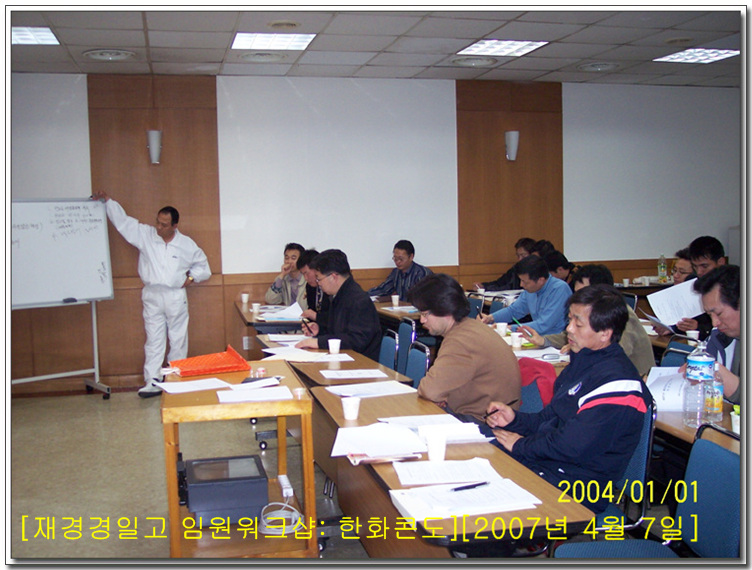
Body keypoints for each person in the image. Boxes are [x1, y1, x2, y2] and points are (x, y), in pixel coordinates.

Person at [485, 285, 651, 513]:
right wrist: (514, 420)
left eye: (578, 324)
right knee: (479, 452)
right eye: (570, 319)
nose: (569, 329)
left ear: (605, 333)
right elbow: (548, 418)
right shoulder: (582, 363)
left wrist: (520, 445)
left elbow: (571, 446)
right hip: (552, 465)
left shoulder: (619, 384)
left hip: (578, 487)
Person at [92, 191, 211, 398]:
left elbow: (204, 267)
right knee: (154, 338)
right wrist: (108, 202)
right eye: (157, 222)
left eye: (164, 225)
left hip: (175, 295)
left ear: (175, 226)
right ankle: (152, 381)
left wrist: (191, 278)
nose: (159, 227)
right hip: (152, 294)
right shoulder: (145, 235)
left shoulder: (186, 244)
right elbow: (123, 223)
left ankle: (175, 379)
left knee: (178, 339)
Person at [408, 274, 521, 424]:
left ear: (445, 309)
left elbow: (430, 391)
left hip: (485, 423)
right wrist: (442, 395)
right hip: (485, 415)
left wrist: (439, 395)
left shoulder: (460, 341)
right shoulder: (470, 327)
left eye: (425, 314)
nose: (422, 320)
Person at [519, 264, 655, 376]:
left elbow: (616, 351)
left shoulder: (620, 314)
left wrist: (582, 347)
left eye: (583, 292)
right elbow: (569, 334)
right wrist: (543, 340)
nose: (579, 297)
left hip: (633, 380)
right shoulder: (588, 312)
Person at [296, 249, 381, 361]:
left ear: (333, 277)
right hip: (343, 357)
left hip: (360, 362)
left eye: (319, 279)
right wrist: (319, 329)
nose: (318, 283)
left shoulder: (358, 300)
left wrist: (319, 342)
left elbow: (356, 340)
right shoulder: (340, 295)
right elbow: (338, 331)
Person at [481, 255, 570, 335]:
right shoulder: (531, 289)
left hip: (555, 341)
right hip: (536, 337)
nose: (521, 285)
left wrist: (510, 328)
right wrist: (491, 318)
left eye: (525, 282)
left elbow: (544, 325)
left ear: (541, 280)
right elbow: (514, 311)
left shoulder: (559, 289)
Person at [691, 265, 741, 403]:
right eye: (709, 315)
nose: (714, 323)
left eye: (718, 313)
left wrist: (720, 375)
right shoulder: (719, 335)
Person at [655, 246, 712, 339]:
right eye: (674, 270)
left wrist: (698, 328)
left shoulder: (707, 296)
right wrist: (670, 329)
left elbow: (714, 328)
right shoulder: (672, 293)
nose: (675, 275)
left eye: (681, 272)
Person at [367, 239, 432, 302]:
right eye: (395, 258)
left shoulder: (422, 273)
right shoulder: (396, 272)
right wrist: (364, 295)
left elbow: (427, 299)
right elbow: (383, 290)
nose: (397, 262)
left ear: (411, 257)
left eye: (401, 259)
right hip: (400, 308)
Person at [297, 249, 330, 335]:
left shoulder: (330, 287)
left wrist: (316, 316)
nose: (306, 278)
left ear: (317, 269)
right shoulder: (310, 286)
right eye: (303, 274)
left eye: (307, 273)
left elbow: (335, 318)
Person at [265, 242, 307, 308]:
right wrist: (282, 275)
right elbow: (270, 300)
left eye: (293, 258)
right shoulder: (283, 279)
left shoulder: (307, 279)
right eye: (286, 258)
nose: (289, 261)